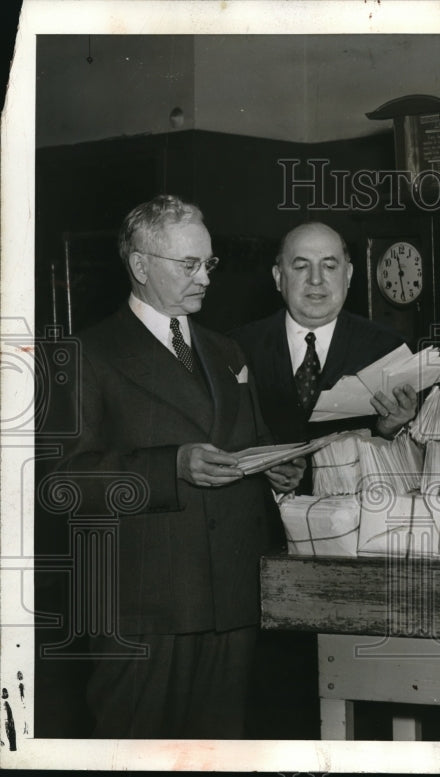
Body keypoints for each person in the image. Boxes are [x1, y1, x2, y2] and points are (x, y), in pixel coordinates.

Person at [53, 195, 304, 738]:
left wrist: (275, 472)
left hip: (232, 600)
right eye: (188, 265)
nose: (205, 278)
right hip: (145, 608)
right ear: (140, 265)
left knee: (219, 753)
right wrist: (172, 468)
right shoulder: (86, 354)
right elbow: (63, 483)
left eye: (208, 263)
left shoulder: (226, 352)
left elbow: (250, 443)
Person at [231, 222, 417, 450]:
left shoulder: (388, 349)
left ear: (348, 275)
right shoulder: (236, 348)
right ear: (279, 277)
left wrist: (390, 429)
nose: (316, 279)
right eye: (301, 267)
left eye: (329, 266)